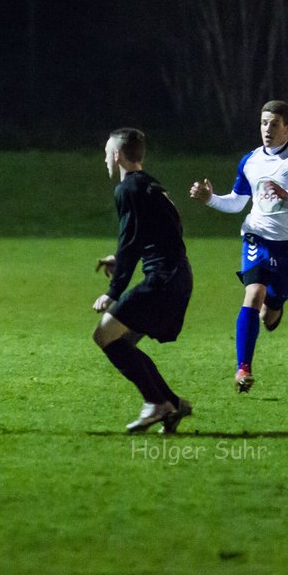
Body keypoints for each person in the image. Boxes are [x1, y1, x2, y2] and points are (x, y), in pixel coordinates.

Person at [189, 100, 288, 393]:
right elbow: (238, 202)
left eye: (274, 124)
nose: (267, 129)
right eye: (264, 123)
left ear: (287, 127)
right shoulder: (250, 161)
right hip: (257, 236)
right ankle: (243, 368)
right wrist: (210, 199)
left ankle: (276, 306)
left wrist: (287, 194)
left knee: (269, 314)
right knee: (253, 294)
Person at [93, 128, 194, 433]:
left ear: (117, 155)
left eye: (106, 153)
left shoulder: (127, 189)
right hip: (177, 276)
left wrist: (113, 291)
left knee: (105, 335)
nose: (105, 159)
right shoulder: (150, 184)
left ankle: (157, 402)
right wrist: (119, 259)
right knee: (122, 342)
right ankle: (172, 404)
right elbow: (149, 237)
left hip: (164, 279)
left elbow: (129, 239)